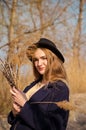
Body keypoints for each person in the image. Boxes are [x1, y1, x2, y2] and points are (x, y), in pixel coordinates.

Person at [8, 38, 69, 130]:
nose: (39, 63)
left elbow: (54, 127)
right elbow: (15, 120)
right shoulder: (32, 86)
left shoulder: (60, 88)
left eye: (44, 58)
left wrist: (24, 104)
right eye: (35, 60)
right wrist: (14, 112)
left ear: (53, 60)